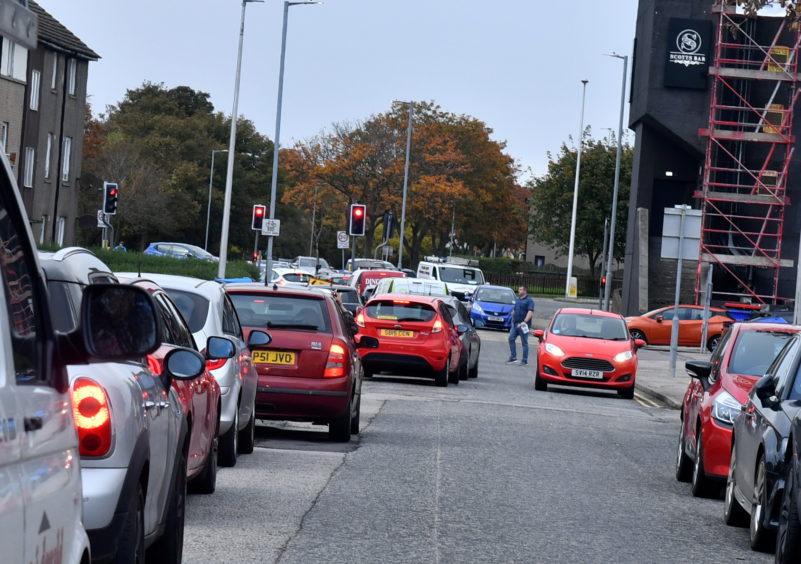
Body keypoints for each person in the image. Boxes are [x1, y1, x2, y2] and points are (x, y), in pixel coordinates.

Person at [507, 285, 535, 365]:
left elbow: (530, 312)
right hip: (515, 324)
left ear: (525, 291)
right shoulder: (517, 300)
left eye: (520, 289)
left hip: (524, 325)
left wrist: (525, 321)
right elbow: (515, 311)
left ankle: (524, 360)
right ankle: (513, 357)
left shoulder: (529, 301)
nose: (518, 291)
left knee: (524, 342)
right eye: (519, 289)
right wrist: (513, 320)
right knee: (511, 338)